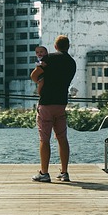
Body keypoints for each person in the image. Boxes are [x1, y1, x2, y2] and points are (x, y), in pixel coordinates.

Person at [30, 35, 77, 182]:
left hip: (46, 103)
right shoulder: (72, 63)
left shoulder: (48, 58)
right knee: (62, 138)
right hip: (61, 103)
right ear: (68, 46)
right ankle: (64, 172)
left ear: (55, 46)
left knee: (45, 139)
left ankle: (44, 173)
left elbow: (34, 76)